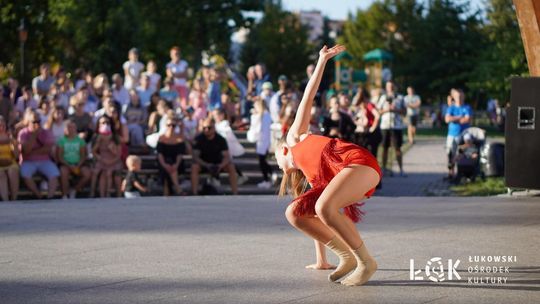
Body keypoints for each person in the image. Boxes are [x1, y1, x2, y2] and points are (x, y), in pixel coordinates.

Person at [274, 45, 381, 286]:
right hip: (352, 175)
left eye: (278, 163)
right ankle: (346, 256)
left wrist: (322, 60)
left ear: (282, 151)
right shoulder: (314, 176)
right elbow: (320, 218)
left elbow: (308, 97)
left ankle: (366, 262)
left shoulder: (295, 138)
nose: (280, 169)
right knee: (296, 212)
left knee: (323, 206)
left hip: (359, 163)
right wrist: (321, 260)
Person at [18, 110, 60, 199]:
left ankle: (50, 197)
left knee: (54, 175)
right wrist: (33, 135)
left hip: (45, 160)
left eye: (39, 121)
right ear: (28, 122)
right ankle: (39, 196)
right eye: (34, 122)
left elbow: (48, 149)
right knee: (25, 175)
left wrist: (32, 152)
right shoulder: (23, 133)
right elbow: (26, 150)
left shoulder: (46, 132)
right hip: (28, 161)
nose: (37, 124)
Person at [191, 118, 238, 195]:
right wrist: (206, 165)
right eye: (204, 128)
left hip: (218, 164)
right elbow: (195, 156)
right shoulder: (199, 139)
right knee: (194, 167)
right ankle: (194, 193)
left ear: (214, 128)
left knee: (231, 167)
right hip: (204, 164)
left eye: (209, 128)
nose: (206, 130)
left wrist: (220, 166)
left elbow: (226, 156)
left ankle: (235, 193)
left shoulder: (220, 139)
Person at [377, 81, 406, 177]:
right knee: (385, 148)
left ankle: (401, 169)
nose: (390, 88)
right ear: (386, 87)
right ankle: (384, 169)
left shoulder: (400, 97)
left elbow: (404, 111)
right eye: (388, 86)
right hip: (385, 126)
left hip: (396, 126)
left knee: (398, 148)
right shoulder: (383, 97)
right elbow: (378, 111)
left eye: (392, 86)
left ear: (395, 87)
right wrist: (386, 110)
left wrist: (395, 109)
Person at [57, 120, 91, 199]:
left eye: (73, 127)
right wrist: (69, 166)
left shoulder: (80, 141)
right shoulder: (61, 141)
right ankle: (65, 195)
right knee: (63, 172)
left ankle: (74, 189)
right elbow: (60, 157)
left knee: (87, 174)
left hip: (78, 164)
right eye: (68, 127)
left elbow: (83, 156)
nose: (71, 129)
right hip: (65, 164)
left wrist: (78, 165)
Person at [156, 117, 190, 196]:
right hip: (163, 162)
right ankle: (177, 188)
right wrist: (164, 164)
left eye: (173, 125)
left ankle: (169, 191)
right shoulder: (161, 138)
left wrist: (176, 164)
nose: (171, 127)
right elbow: (160, 154)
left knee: (171, 165)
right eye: (169, 125)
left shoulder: (179, 138)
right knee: (167, 165)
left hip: (176, 163)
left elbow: (180, 154)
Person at [90, 115, 122, 198]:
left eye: (107, 123)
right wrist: (100, 158)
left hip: (114, 160)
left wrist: (111, 148)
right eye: (102, 123)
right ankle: (94, 193)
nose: (105, 125)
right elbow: (93, 151)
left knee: (109, 173)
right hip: (102, 160)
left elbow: (118, 154)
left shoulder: (115, 137)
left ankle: (110, 193)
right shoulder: (96, 137)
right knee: (97, 172)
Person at [247, 97, 275, 189]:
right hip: (265, 141)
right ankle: (271, 175)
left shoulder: (261, 116)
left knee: (262, 161)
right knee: (263, 161)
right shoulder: (266, 115)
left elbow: (257, 129)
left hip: (262, 142)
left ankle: (267, 178)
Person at [444, 88, 472, 180]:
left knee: (464, 151)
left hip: (464, 134)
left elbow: (467, 119)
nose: (459, 98)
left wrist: (454, 119)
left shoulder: (467, 107)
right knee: (450, 153)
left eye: (460, 96)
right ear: (454, 97)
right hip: (452, 134)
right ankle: (450, 173)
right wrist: (460, 118)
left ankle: (462, 172)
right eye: (457, 96)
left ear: (463, 96)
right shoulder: (451, 108)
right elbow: (447, 119)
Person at [0, 116, 19, 201]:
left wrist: (13, 143)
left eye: (3, 125)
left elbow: (17, 155)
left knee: (12, 172)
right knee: (1, 174)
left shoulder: (10, 137)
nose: (1, 127)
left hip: (11, 161)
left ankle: (14, 199)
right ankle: (5, 200)